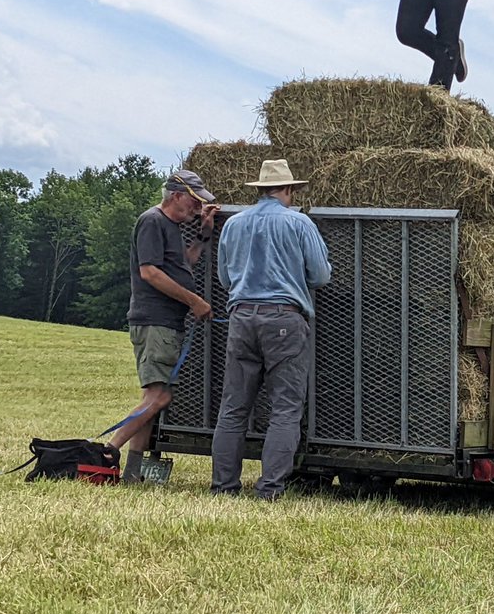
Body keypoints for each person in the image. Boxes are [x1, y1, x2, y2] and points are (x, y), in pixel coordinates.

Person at [210, 159, 332, 500]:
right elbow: (321, 276)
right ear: (289, 190)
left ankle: (224, 487)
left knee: (233, 408)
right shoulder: (299, 223)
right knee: (285, 408)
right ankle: (269, 489)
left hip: (241, 318)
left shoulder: (233, 224)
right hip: (284, 319)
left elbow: (224, 278)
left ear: (260, 190)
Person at [111, 170, 217, 483]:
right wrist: (194, 301)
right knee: (159, 398)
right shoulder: (152, 221)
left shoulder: (171, 226)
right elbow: (151, 273)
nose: (197, 209)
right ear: (175, 195)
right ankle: (107, 451)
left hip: (167, 322)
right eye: (194, 202)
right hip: (154, 321)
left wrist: (204, 234)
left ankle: (132, 474)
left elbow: (183, 264)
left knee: (151, 400)